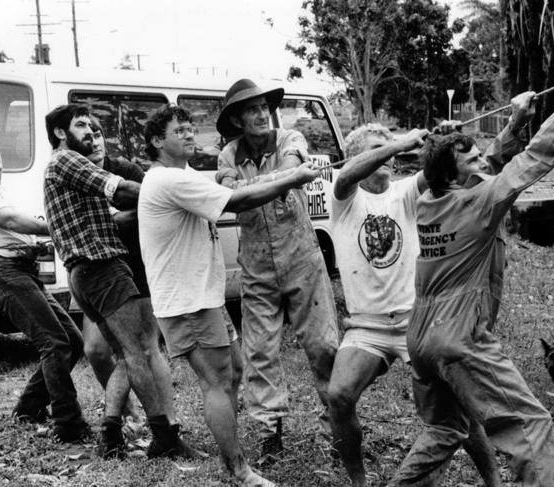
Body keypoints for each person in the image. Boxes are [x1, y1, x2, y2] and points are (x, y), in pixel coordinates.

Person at [328, 93, 536, 487]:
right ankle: (358, 481)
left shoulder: (407, 190)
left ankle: (492, 479)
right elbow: (347, 174)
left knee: (458, 407)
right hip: (367, 325)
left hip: (417, 320)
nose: (388, 156)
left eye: (388, 147)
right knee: (339, 395)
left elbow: (444, 168)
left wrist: (441, 139)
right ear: (360, 156)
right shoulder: (345, 198)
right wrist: (401, 142)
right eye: (377, 149)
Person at [390, 83, 554, 486]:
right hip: (459, 338)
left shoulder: (431, 198)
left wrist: (515, 122)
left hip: (422, 338)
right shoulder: (478, 203)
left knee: (445, 429)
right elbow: (534, 158)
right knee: (529, 426)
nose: (481, 158)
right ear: (454, 174)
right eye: (471, 157)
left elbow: (489, 161)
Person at [139, 104, 322, 486]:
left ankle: (234, 455)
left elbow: (231, 188)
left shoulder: (183, 174)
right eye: (180, 131)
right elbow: (237, 200)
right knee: (218, 382)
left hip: (204, 298)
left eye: (192, 128)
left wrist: (285, 172)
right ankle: (238, 470)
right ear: (157, 141)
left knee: (234, 372)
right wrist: (292, 178)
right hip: (187, 302)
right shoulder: (166, 180)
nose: (190, 135)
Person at [43, 104, 199, 460]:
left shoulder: (65, 165)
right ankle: (165, 437)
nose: (90, 132)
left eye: (93, 126)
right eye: (81, 125)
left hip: (84, 273)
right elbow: (124, 190)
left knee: (126, 355)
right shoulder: (66, 160)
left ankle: (111, 433)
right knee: (141, 352)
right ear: (60, 133)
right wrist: (180, 192)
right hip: (101, 268)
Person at [216, 78, 339, 461]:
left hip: (302, 258)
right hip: (256, 267)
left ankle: (338, 424)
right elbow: (230, 200)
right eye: (250, 110)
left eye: (263, 107)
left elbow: (288, 170)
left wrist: (249, 187)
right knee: (260, 351)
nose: (260, 115)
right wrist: (264, 186)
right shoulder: (228, 154)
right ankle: (271, 431)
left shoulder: (290, 139)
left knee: (323, 345)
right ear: (236, 119)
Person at [0, 125, 87, 442]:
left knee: (72, 340)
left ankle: (28, 410)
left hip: (20, 268)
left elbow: (12, 230)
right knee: (54, 342)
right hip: (3, 272)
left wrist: (34, 244)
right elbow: (12, 221)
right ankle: (69, 425)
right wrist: (58, 227)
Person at [81, 118, 144, 425]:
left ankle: (128, 419)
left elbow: (150, 205)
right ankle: (127, 409)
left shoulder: (127, 171)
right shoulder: (77, 176)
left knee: (135, 348)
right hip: (96, 272)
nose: (93, 141)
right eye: (86, 136)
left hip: (134, 268)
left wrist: (112, 220)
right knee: (95, 349)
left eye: (97, 135)